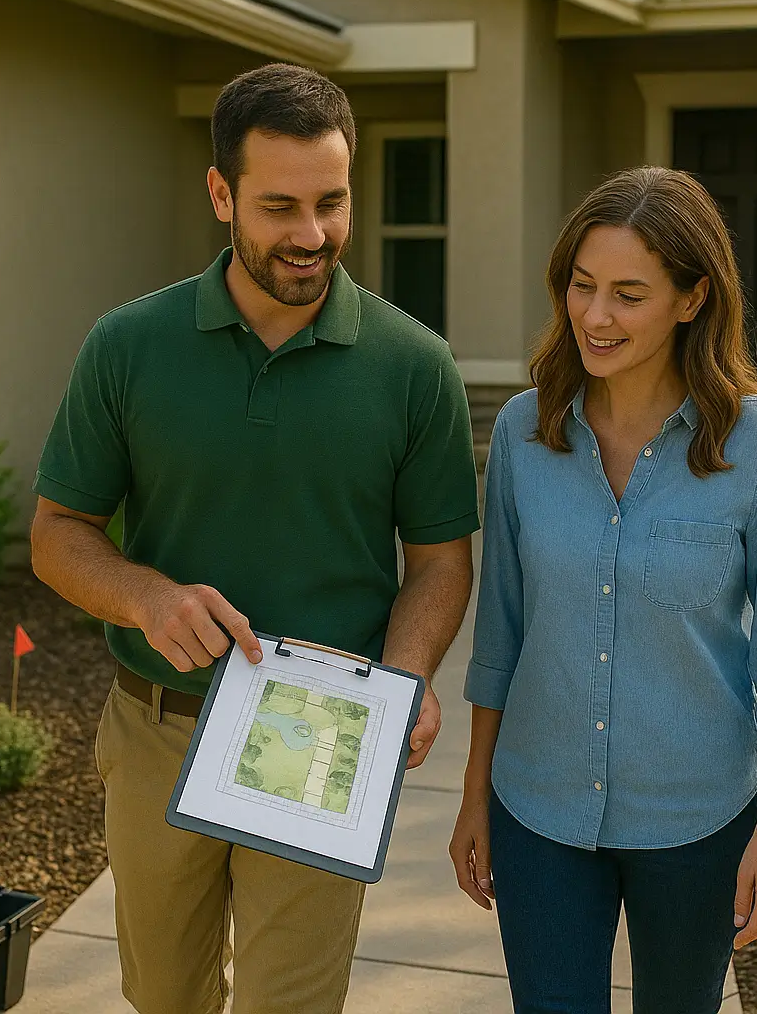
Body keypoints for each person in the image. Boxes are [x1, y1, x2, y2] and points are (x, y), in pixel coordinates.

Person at [31, 63, 479, 1014]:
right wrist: (147, 596)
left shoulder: (415, 366)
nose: (312, 236)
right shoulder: (126, 346)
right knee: (166, 997)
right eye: (280, 206)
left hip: (325, 737)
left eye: (333, 203)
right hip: (162, 727)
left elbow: (440, 563)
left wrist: (405, 678)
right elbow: (59, 535)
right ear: (221, 193)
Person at [449, 166, 757, 1014]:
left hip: (699, 819)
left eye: (629, 294)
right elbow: (500, 634)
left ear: (692, 299)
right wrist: (475, 795)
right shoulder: (523, 432)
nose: (595, 315)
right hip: (537, 810)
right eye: (582, 287)